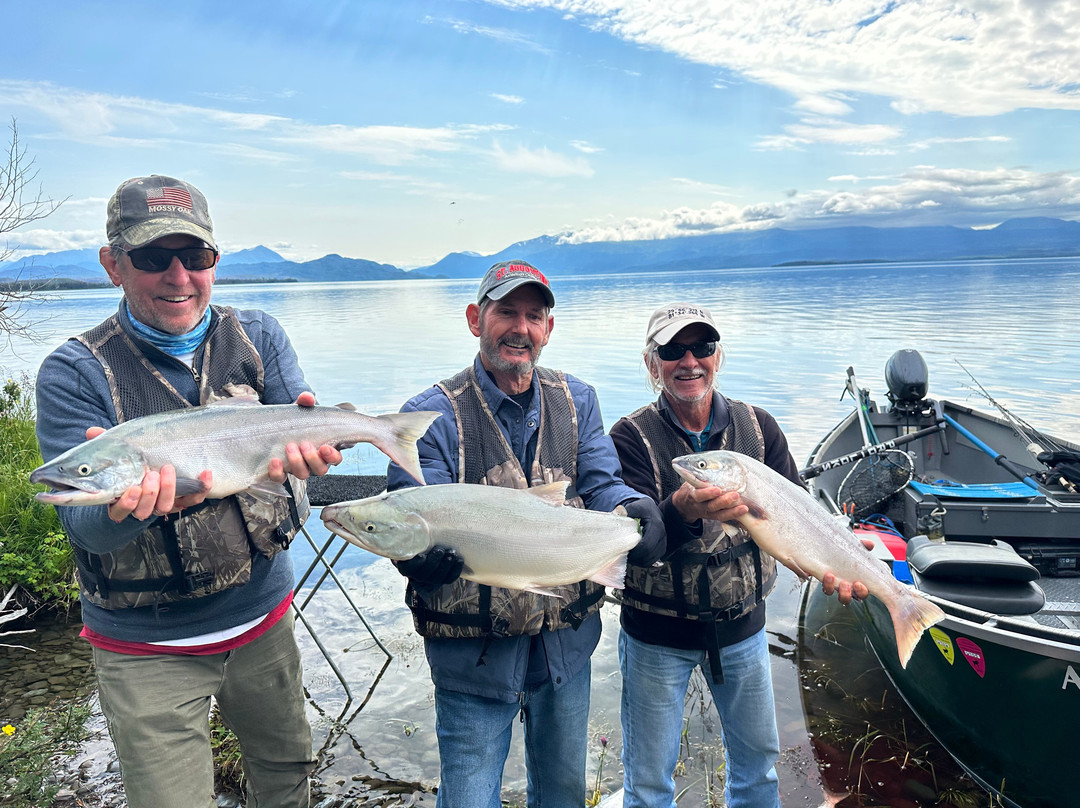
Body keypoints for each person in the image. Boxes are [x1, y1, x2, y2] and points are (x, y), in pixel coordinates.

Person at [34, 175, 343, 808]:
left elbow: (296, 456)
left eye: (194, 256)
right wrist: (131, 511)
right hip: (144, 646)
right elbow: (85, 528)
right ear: (112, 265)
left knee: (288, 779)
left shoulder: (259, 335)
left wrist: (309, 462)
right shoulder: (74, 371)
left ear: (214, 261)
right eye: (153, 257)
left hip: (264, 620)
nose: (179, 276)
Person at [384, 260, 668, 808]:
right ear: (475, 319)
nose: (521, 328)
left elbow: (602, 484)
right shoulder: (429, 414)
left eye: (534, 316)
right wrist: (415, 558)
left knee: (561, 795)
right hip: (472, 655)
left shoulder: (577, 399)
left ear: (549, 329)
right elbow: (413, 515)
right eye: (506, 312)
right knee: (468, 798)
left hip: (564, 647)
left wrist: (633, 508)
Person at [609, 302, 869, 808]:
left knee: (757, 774)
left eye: (702, 347)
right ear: (651, 363)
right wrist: (680, 508)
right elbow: (632, 542)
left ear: (718, 357)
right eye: (672, 350)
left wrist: (837, 561)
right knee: (648, 782)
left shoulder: (759, 427)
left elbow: (801, 517)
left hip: (743, 629)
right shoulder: (628, 438)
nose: (689, 362)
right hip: (655, 634)